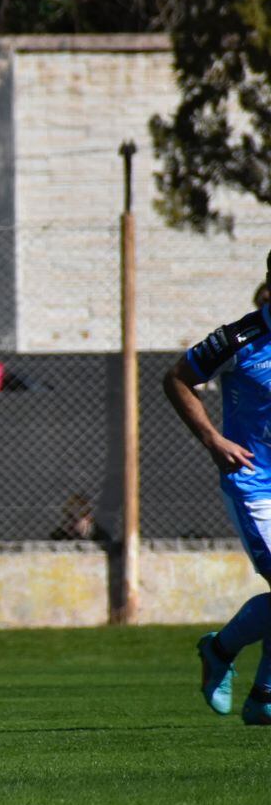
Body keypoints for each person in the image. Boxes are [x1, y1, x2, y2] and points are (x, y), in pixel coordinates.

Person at [165, 252, 271, 726]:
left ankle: (263, 697)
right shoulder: (240, 338)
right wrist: (213, 439)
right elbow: (177, 379)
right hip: (254, 482)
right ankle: (221, 651)